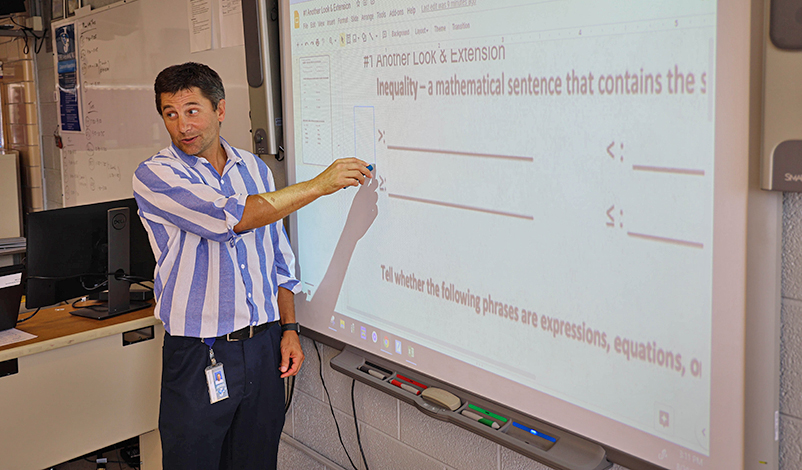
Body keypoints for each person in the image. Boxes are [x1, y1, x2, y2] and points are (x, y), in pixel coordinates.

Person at [132, 62, 372, 470]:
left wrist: (290, 328)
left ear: (220, 110)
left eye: (192, 110)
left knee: (257, 461)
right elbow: (235, 217)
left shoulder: (254, 169)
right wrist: (321, 184)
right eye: (170, 114)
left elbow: (277, 256)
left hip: (262, 347)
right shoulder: (156, 174)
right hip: (199, 353)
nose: (182, 125)